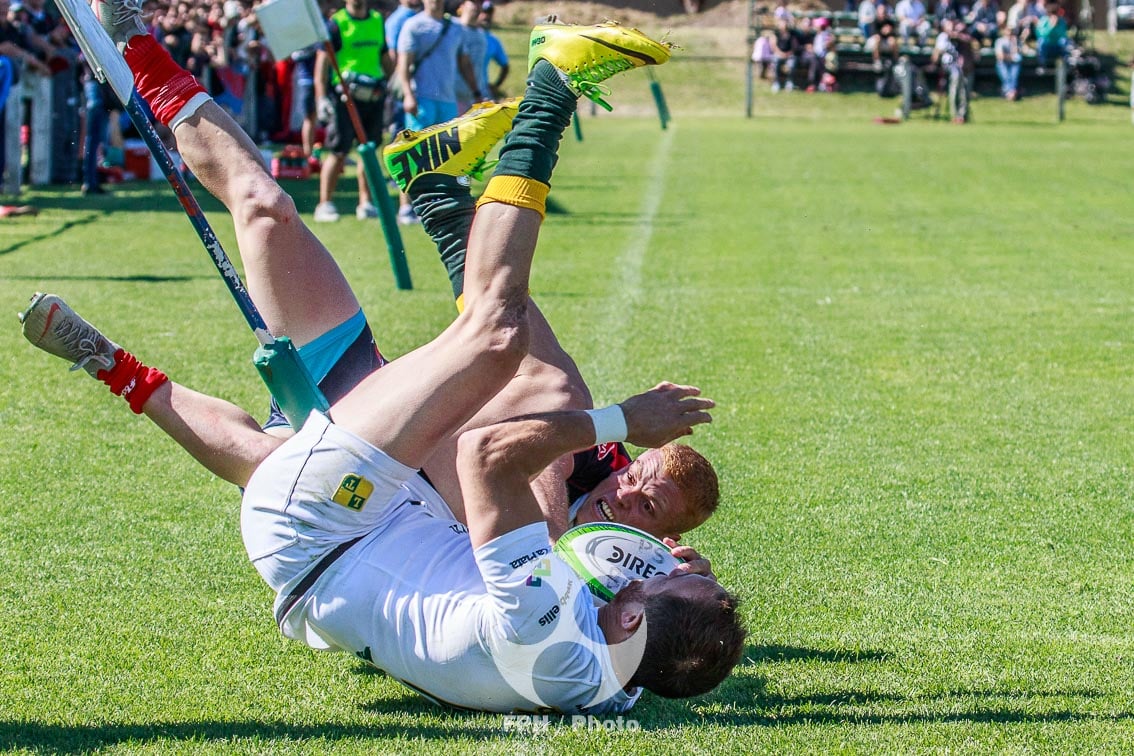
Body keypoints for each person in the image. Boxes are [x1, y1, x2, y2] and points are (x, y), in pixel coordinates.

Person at [24, 6, 745, 712]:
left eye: (648, 581)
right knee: (266, 209)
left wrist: (625, 418)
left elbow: (492, 458)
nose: (644, 567)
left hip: (325, 524)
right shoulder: (610, 677)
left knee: (495, 337)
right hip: (374, 513)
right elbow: (637, 632)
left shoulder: (550, 628)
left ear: (627, 621)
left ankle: (550, 85)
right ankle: (137, 44)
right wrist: (678, 588)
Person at [394, 0, 479, 224]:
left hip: (448, 100)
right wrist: (408, 95)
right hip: (422, 99)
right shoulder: (414, 25)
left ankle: (442, 205)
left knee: (448, 156)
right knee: (414, 155)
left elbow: (464, 62)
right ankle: (406, 207)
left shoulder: (456, 27)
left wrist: (477, 91)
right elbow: (403, 64)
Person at [313, 0, 394, 223]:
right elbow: (322, 64)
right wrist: (321, 98)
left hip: (373, 96)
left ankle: (366, 202)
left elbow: (384, 56)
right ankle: (324, 203)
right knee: (338, 150)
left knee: (368, 151)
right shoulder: (336, 24)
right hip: (345, 98)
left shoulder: (377, 20)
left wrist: (394, 81)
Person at [479, 1, 508, 99]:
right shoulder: (465, 34)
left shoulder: (493, 40)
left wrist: (496, 86)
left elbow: (505, 66)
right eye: (483, 12)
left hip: (482, 91)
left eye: (489, 13)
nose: (486, 16)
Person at [994, 25, 1022, 99]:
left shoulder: (1015, 41)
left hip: (1013, 63)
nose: (1009, 33)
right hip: (1002, 63)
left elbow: (1017, 56)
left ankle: (1008, 92)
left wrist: (1014, 43)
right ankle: (1012, 92)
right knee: (1007, 76)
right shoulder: (1000, 41)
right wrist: (1011, 57)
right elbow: (1000, 56)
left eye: (1011, 31)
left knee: (1013, 75)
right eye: (1008, 30)